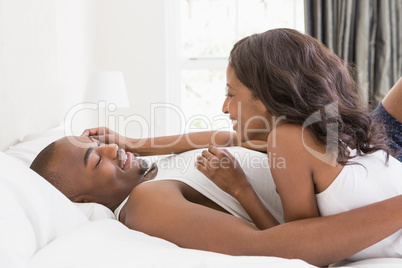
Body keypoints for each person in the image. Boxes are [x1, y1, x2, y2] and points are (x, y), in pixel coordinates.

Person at [188, 28, 402, 261]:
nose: (224, 108)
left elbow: (302, 252)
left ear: (264, 94)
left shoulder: (288, 138)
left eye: (231, 95)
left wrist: (241, 189)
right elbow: (223, 138)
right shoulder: (332, 129)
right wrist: (142, 145)